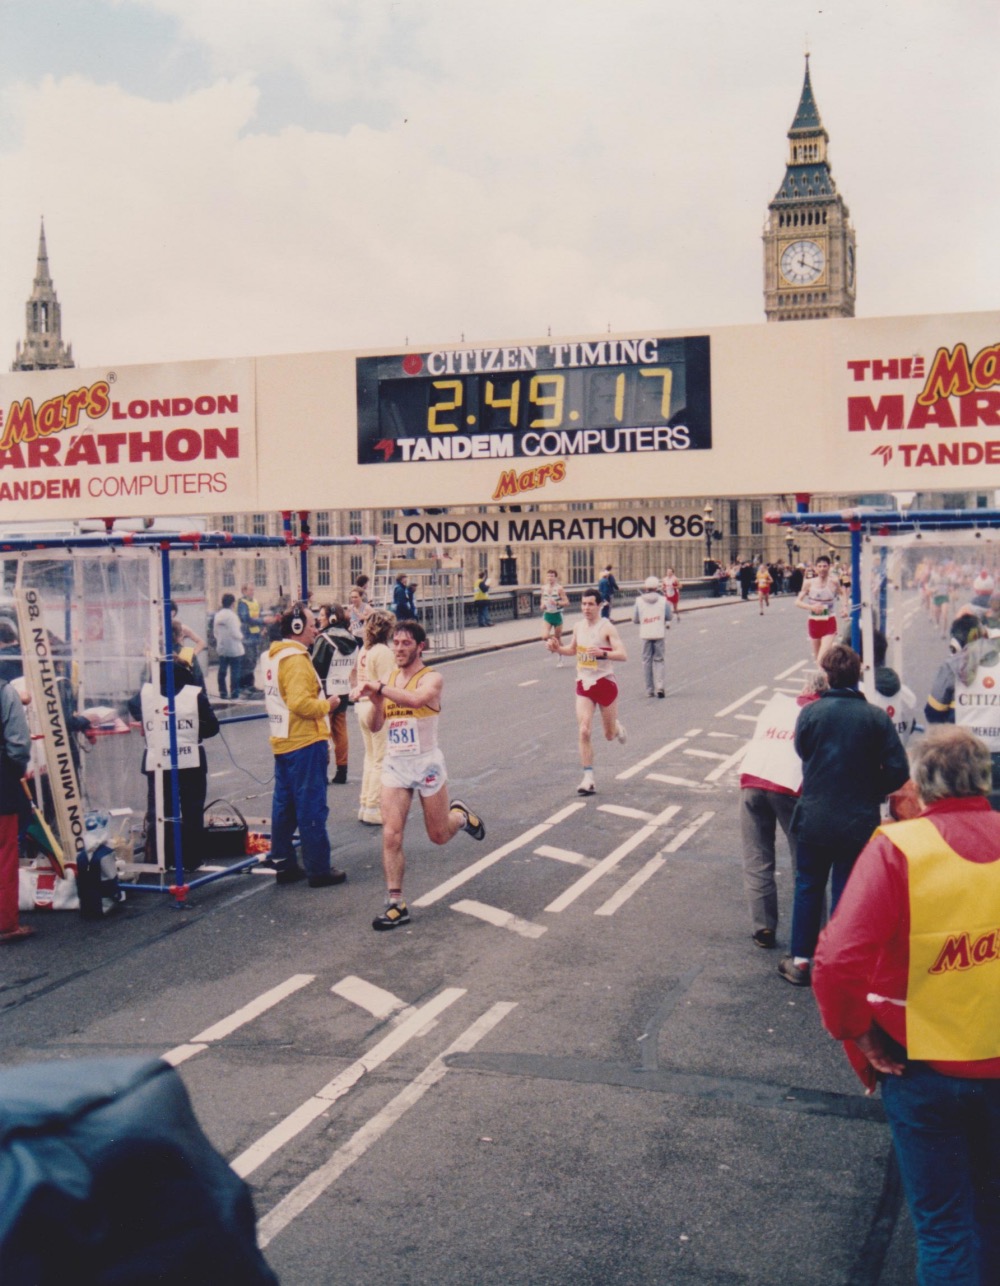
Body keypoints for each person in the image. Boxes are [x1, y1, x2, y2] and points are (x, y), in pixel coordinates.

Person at [812, 727, 1000, 1286]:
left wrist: (858, 1033)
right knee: (990, 1210)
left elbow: (837, 959)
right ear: (985, 778)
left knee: (943, 1227)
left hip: (918, 1064)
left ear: (921, 787)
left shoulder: (899, 848)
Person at [778, 643, 909, 985]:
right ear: (857, 675)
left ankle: (802, 961)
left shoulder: (811, 713)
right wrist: (870, 787)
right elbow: (898, 770)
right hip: (857, 818)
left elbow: (802, 751)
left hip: (815, 815)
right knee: (846, 891)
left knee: (808, 885)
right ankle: (838, 963)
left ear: (827, 676)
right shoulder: (876, 718)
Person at [356, 620, 485, 930]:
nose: (399, 649)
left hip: (426, 764)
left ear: (420, 647)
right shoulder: (388, 679)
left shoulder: (432, 679)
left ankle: (460, 816)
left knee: (438, 835)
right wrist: (376, 702)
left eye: (405, 644)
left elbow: (415, 701)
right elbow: (375, 726)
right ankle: (396, 903)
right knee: (391, 833)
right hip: (396, 765)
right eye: (395, 643)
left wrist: (382, 689)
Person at [739, 671, 826, 950]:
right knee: (805, 861)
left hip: (752, 777)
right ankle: (812, 933)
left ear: (804, 687)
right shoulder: (821, 712)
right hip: (790, 786)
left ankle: (762, 927)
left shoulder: (777, 704)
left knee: (757, 856)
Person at [263, 604, 346, 888]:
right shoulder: (296, 660)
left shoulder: (274, 656)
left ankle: (284, 863)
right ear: (297, 628)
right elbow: (300, 703)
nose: (316, 628)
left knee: (284, 806)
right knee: (311, 805)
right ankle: (319, 869)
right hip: (305, 741)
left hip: (283, 740)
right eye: (311, 624)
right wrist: (329, 704)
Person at [128, 625, 220, 874]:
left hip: (157, 758)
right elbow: (212, 727)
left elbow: (133, 705)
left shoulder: (148, 689)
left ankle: (161, 857)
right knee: (191, 809)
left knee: (161, 808)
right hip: (190, 758)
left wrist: (152, 724)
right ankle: (192, 859)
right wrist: (192, 730)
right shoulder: (193, 691)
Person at [546, 588, 628, 796]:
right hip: (584, 682)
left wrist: (602, 653)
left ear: (600, 605)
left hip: (605, 682)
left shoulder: (606, 627)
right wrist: (557, 648)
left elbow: (622, 654)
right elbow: (573, 650)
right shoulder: (578, 627)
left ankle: (617, 727)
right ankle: (588, 777)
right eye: (583, 604)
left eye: (591, 604)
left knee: (608, 735)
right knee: (584, 729)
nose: (586, 608)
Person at [350, 610, 395, 826]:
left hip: (362, 706)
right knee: (380, 759)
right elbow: (387, 685)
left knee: (370, 757)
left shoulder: (364, 650)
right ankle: (374, 807)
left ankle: (365, 803)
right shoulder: (383, 652)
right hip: (376, 706)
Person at [310, 602, 361, 785]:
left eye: (322, 615)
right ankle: (342, 770)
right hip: (343, 688)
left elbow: (315, 667)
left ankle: (323, 770)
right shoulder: (352, 639)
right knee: (340, 731)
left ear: (331, 618)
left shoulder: (324, 639)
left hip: (325, 689)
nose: (319, 618)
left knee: (323, 731)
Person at [0, 674, 32, 943]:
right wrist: (16, 770)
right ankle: (6, 923)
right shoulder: (5, 691)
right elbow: (19, 743)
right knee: (5, 852)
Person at [796, 554, 843, 660]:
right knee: (818, 658)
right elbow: (797, 602)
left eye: (825, 566)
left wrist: (844, 607)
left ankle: (830, 651)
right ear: (816, 568)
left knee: (822, 656)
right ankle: (828, 674)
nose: (822, 569)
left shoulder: (834, 582)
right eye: (820, 566)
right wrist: (811, 607)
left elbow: (842, 593)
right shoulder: (809, 583)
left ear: (829, 567)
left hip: (829, 622)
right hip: (814, 622)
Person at [632, 576, 671, 698]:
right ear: (657, 587)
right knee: (659, 660)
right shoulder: (663, 600)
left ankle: (649, 689)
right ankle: (660, 686)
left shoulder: (639, 601)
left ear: (645, 587)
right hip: (659, 633)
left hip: (645, 634)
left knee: (647, 662)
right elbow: (669, 617)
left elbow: (635, 619)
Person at [212, 593, 244, 701]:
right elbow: (235, 632)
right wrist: (241, 637)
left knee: (222, 671)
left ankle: (223, 692)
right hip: (234, 648)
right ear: (232, 603)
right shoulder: (233, 616)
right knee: (235, 671)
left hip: (222, 647)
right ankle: (234, 692)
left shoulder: (218, 615)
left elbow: (215, 632)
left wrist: (219, 641)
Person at [237, 583, 265, 696]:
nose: (252, 592)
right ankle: (244, 687)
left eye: (253, 590)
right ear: (244, 591)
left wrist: (262, 627)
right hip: (246, 636)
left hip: (255, 635)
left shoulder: (255, 602)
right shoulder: (242, 603)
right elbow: (245, 618)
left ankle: (250, 685)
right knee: (247, 662)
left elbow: (259, 615)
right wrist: (262, 622)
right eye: (250, 590)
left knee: (252, 661)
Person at [540, 569, 570, 663]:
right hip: (548, 615)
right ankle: (555, 645)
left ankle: (561, 653)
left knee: (557, 638)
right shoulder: (543, 588)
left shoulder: (560, 588)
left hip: (557, 615)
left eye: (552, 576)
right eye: (548, 576)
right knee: (545, 636)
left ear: (555, 577)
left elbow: (566, 602)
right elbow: (542, 600)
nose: (550, 578)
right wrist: (542, 606)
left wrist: (556, 602)